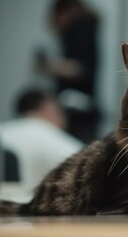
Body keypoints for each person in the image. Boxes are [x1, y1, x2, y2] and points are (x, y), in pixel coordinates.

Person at [0, 89, 83, 202]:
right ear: (47, 107)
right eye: (59, 111)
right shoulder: (45, 131)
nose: (64, 119)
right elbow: (90, 165)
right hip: (26, 210)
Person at [38, 0, 101, 142]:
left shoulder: (81, 28)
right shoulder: (84, 28)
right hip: (81, 111)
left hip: (78, 112)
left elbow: (79, 69)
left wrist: (50, 66)